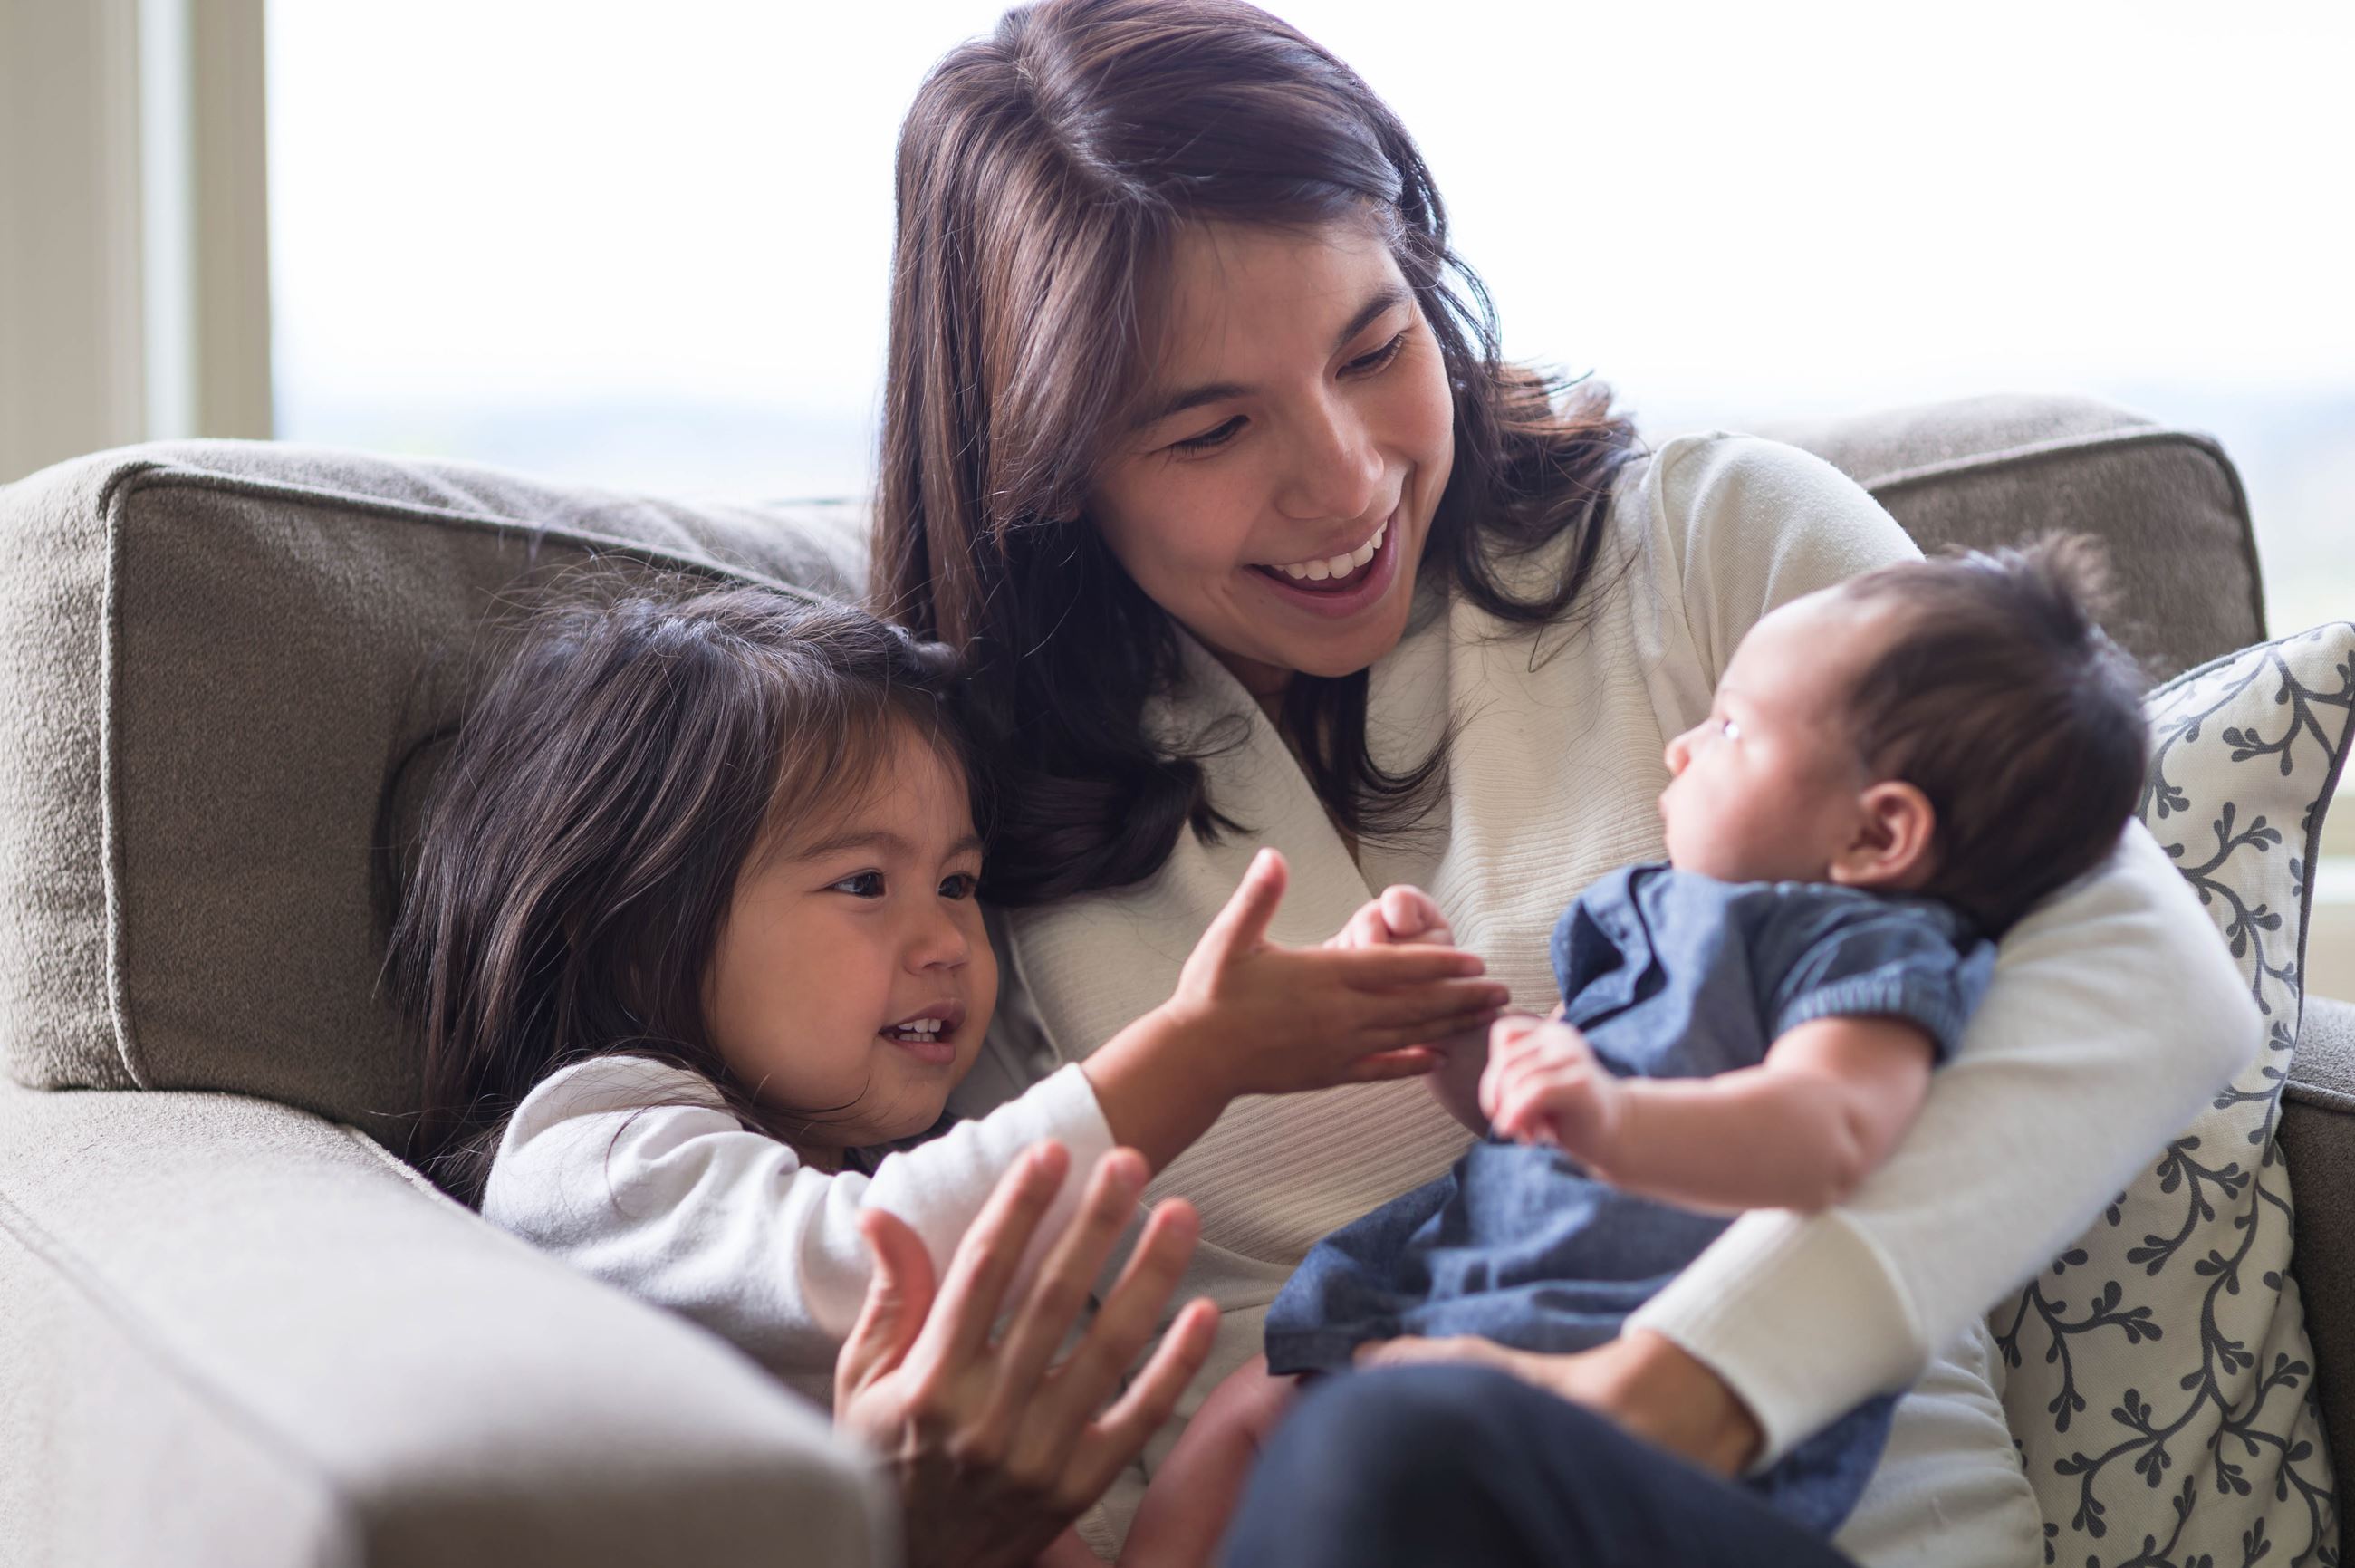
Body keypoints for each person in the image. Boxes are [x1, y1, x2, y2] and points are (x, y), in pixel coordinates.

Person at [870, 2, 2261, 1563]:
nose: (1345, 477)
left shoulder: (1727, 560)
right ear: (1045, 464)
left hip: (1789, 1519)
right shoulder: (944, 831)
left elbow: (2159, 980)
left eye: (1375, 347)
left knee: (1407, 1435)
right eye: (1206, 429)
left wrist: (1682, 1388)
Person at [381, 581, 1507, 1566]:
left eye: (959, 885)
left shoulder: (908, 1149)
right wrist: (1196, 1052)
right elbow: (867, 1260)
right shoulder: (596, 1147)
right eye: (865, 884)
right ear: (626, 929)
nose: (945, 944)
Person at [1108, 535, 2150, 1565]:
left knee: (1361, 1445)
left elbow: (1829, 1132)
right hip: (1462, 1317)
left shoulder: (1861, 949)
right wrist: (1465, 1038)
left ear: (1877, 836)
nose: (1681, 744)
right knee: (1258, 1406)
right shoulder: (1651, 913)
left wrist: (1612, 1119)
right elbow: (1519, 1118)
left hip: (1646, 1438)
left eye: (1732, 727)